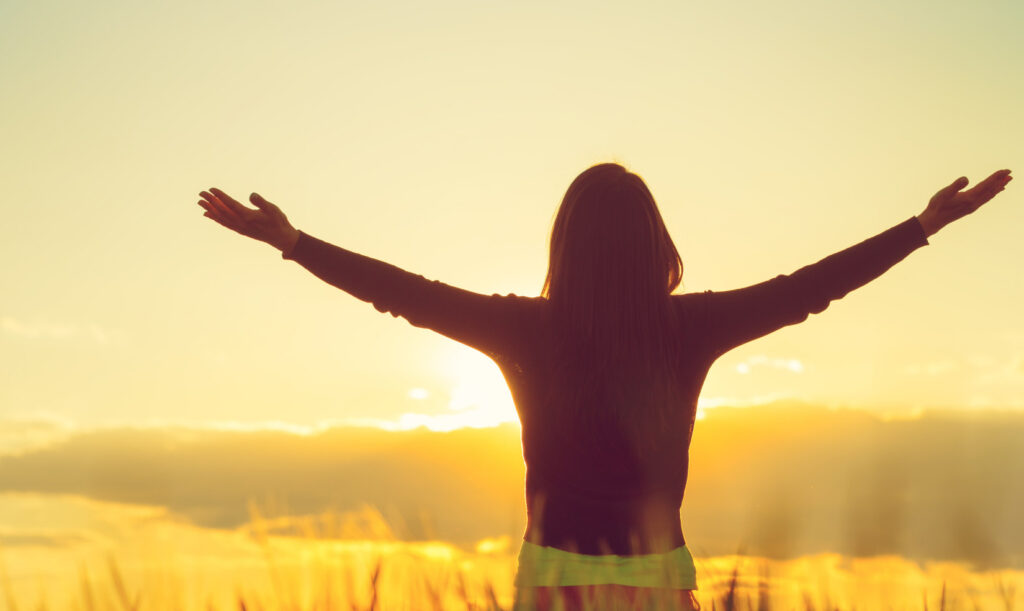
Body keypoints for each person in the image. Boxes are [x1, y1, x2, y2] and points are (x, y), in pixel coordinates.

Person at [196, 164, 1012, 610]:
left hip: (552, 587)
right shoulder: (686, 327)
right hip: (659, 585)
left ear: (567, 246)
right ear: (655, 244)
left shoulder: (527, 328)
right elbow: (810, 288)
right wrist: (922, 226)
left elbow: (405, 293)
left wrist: (295, 242)